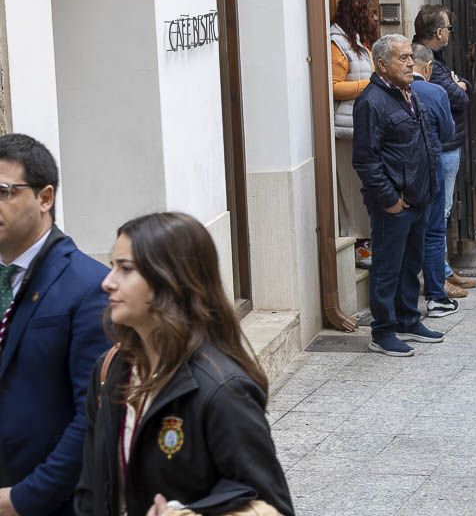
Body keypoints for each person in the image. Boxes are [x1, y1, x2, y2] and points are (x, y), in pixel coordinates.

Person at [76, 212, 293, 516]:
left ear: (170, 279)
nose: (107, 282)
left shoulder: (223, 388)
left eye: (125, 269)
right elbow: (91, 488)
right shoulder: (111, 368)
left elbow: (273, 505)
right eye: (112, 267)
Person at [0, 134, 109, 516]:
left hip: (49, 503)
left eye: (4, 191)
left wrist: (22, 499)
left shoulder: (89, 286)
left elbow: (93, 417)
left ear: (45, 198)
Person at [352, 34, 445, 357]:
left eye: (410, 57)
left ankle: (408, 319)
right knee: (388, 268)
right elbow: (365, 159)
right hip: (394, 202)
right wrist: (390, 200)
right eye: (402, 58)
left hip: (418, 196)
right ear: (381, 64)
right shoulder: (371, 101)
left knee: (411, 264)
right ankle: (383, 330)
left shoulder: (408, 93)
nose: (409, 63)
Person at [412, 5, 475, 296]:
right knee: (439, 215)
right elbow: (457, 97)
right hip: (442, 147)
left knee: (442, 213)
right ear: (439, 32)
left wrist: (459, 83)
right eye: (448, 27)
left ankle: (444, 270)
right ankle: (437, 280)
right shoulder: (429, 64)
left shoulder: (436, 60)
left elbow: (465, 86)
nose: (450, 32)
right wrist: (457, 83)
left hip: (447, 146)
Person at [330, 0, 380, 269]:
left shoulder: (359, 42)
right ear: (358, 13)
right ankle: (359, 244)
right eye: (370, 12)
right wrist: (368, 85)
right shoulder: (337, 43)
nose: (375, 18)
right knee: (351, 188)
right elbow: (333, 87)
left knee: (364, 187)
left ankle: (368, 240)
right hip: (346, 130)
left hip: (362, 126)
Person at [411, 43, 456, 317]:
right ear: (427, 68)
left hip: (400, 174)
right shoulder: (435, 91)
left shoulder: (390, 92)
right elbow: (449, 132)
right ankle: (436, 296)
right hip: (431, 167)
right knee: (434, 231)